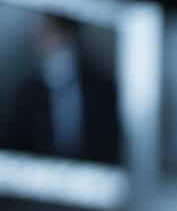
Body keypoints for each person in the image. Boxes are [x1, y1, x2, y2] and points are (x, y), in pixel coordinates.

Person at [1, 14, 123, 165]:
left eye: (47, 32)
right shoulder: (27, 93)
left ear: (66, 35)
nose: (38, 40)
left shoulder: (102, 89)